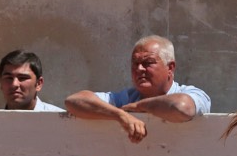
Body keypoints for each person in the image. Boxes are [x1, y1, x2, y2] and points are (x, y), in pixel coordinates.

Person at [64, 35, 210, 143]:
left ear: (170, 68)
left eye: (148, 63)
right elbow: (74, 101)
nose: (139, 69)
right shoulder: (125, 98)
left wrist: (139, 106)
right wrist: (120, 115)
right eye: (135, 63)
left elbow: (182, 107)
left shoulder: (192, 94)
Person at [0, 50, 65, 111]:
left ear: (39, 84)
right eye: (9, 78)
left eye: (22, 78)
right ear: (1, 83)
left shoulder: (60, 120)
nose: (14, 84)